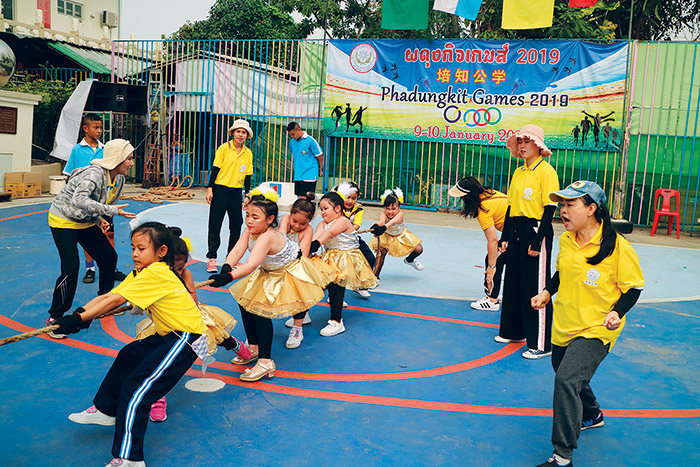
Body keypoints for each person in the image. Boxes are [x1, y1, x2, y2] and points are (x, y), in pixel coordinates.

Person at [52, 222, 209, 467]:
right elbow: (108, 296)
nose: (135, 253)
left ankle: (130, 459)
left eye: (141, 248)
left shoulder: (157, 272)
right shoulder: (142, 273)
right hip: (168, 333)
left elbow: (116, 299)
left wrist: (78, 319)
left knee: (136, 391)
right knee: (129, 355)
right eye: (133, 248)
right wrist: (80, 314)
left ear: (161, 252)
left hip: (185, 338)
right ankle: (107, 410)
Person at [531, 181, 644, 467]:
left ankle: (562, 456)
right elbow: (561, 273)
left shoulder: (618, 247)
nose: (563, 210)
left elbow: (633, 288)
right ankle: (592, 414)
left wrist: (617, 312)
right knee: (565, 369)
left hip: (597, 328)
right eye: (562, 205)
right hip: (565, 323)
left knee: (566, 379)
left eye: (571, 205)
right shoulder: (567, 239)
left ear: (592, 209)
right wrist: (547, 291)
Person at [208, 187, 332, 380]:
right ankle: (254, 347)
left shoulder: (268, 236)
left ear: (269, 219)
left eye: (255, 217)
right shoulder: (251, 230)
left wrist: (228, 277)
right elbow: (239, 248)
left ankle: (266, 361)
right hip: (268, 270)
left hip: (287, 271)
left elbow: (251, 264)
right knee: (245, 302)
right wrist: (226, 266)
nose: (249, 220)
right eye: (247, 214)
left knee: (260, 310)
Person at [132, 227, 251, 423]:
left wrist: (178, 293)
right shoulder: (150, 275)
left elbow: (193, 302)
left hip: (190, 317)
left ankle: (238, 347)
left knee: (218, 335)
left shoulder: (185, 274)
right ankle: (158, 398)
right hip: (163, 323)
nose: (178, 271)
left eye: (180, 267)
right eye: (174, 268)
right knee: (157, 360)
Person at [46, 139, 136, 339]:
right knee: (70, 268)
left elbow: (95, 202)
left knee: (108, 257)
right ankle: (55, 318)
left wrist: (98, 218)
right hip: (63, 221)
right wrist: (110, 212)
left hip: (85, 221)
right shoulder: (93, 174)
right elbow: (79, 199)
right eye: (129, 158)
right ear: (117, 159)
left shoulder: (119, 179)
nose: (131, 163)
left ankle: (103, 302)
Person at [496, 125, 560, 359]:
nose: (522, 146)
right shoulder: (519, 172)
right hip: (516, 231)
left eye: (527, 141)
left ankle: (542, 343)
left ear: (538, 145)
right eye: (519, 141)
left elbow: (549, 209)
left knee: (535, 286)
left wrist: (537, 240)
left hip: (536, 230)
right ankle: (514, 331)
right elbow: (511, 207)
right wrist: (505, 238)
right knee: (513, 282)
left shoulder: (546, 172)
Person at [63, 113, 127, 284]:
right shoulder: (77, 150)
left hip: (103, 201)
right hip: (85, 201)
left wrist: (111, 205)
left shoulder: (105, 149)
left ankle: (111, 268)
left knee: (109, 233)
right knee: (88, 235)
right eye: (95, 127)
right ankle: (90, 268)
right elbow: (70, 176)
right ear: (85, 128)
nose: (99, 131)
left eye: (100, 127)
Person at [309, 188, 377, 336]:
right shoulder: (322, 224)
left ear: (338, 208)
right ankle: (302, 314)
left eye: (326, 208)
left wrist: (316, 244)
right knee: (312, 282)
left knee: (336, 285)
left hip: (346, 258)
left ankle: (336, 321)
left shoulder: (343, 221)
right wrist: (307, 249)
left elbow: (330, 233)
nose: (323, 212)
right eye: (321, 209)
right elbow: (317, 236)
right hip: (329, 257)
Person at [449, 177, 508, 311]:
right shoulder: (489, 193)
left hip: (519, 232)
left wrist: (491, 267)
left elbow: (492, 240)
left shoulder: (483, 209)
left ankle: (492, 300)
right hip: (516, 230)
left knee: (494, 260)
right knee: (498, 258)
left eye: (463, 197)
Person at [205, 119, 254, 274]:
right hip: (220, 190)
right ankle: (212, 258)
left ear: (246, 135)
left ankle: (231, 257)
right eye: (238, 131)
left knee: (236, 225)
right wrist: (210, 188)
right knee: (215, 224)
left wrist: (247, 194)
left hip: (235, 192)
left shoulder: (248, 153)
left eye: (243, 132)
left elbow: (248, 176)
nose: (240, 135)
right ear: (233, 133)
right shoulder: (224, 148)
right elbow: (215, 169)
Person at [369, 188, 424, 279]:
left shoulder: (400, 215)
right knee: (381, 252)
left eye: (393, 208)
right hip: (386, 237)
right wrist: (375, 226)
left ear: (399, 208)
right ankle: (375, 276)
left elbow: (392, 223)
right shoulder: (383, 214)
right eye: (387, 208)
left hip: (401, 236)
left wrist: (383, 228)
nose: (390, 211)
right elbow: (381, 221)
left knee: (419, 249)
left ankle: (409, 260)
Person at [340, 181, 375, 298]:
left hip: (352, 238)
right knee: (340, 268)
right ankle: (334, 296)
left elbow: (356, 225)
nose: (350, 201)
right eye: (347, 197)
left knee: (369, 258)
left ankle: (361, 286)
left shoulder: (358, 208)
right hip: (338, 241)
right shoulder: (336, 207)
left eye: (353, 198)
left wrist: (347, 229)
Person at [287, 121, 323, 200]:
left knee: (305, 199)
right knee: (300, 197)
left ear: (299, 130)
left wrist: (320, 168)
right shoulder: (292, 142)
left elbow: (320, 156)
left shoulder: (310, 141)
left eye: (293, 134)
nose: (292, 136)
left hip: (309, 173)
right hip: (298, 174)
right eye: (290, 135)